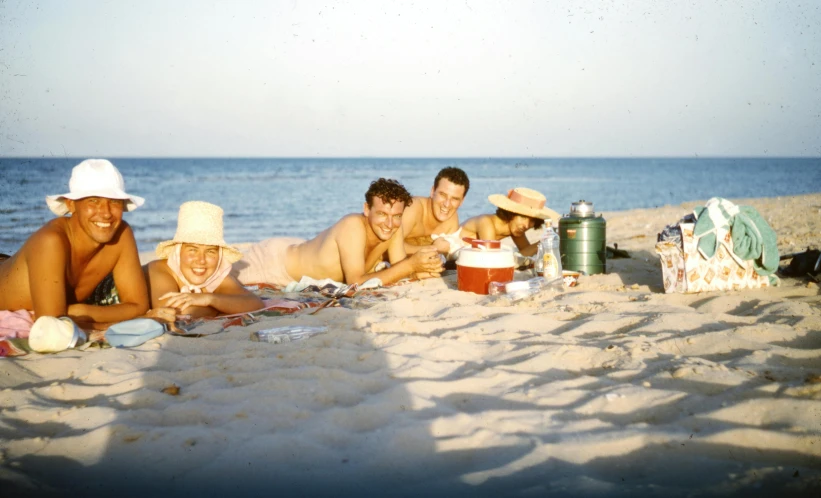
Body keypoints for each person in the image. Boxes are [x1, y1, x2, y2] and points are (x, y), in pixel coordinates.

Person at [0, 159, 150, 331]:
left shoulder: (121, 234)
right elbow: (52, 324)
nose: (106, 213)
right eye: (93, 201)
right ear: (71, 204)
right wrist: (110, 323)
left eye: (114, 202)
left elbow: (138, 305)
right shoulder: (51, 241)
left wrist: (81, 310)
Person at [233, 178, 444, 287]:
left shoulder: (393, 229)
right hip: (274, 262)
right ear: (366, 209)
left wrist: (425, 267)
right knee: (214, 283)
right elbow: (356, 281)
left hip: (304, 250)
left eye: (397, 216)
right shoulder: (352, 225)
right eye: (382, 214)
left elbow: (399, 270)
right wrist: (411, 264)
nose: (389, 223)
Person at [143, 201, 264, 320]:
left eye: (210, 251)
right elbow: (175, 313)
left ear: (219, 255)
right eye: (192, 250)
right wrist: (220, 305)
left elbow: (255, 303)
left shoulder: (215, 276)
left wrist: (209, 299)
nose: (201, 260)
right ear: (178, 251)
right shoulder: (158, 270)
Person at [459, 187, 560, 257]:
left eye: (532, 221)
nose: (526, 225)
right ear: (510, 212)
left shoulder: (516, 228)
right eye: (522, 217)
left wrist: (544, 242)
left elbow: (525, 252)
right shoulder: (485, 222)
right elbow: (490, 258)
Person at [401, 167, 470, 257]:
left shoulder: (451, 220)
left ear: (461, 201)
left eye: (455, 199)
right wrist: (433, 248)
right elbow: (389, 245)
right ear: (432, 191)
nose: (447, 204)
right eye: (443, 195)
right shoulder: (413, 208)